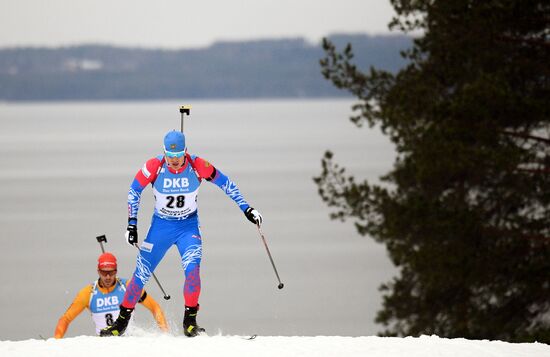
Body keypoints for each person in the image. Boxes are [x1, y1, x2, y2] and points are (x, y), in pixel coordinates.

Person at [100, 130, 262, 337]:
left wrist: (247, 209)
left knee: (192, 271)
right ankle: (120, 324)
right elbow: (134, 191)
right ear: (164, 153)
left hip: (188, 227)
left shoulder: (197, 165)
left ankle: (190, 322)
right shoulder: (154, 166)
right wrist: (132, 225)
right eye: (170, 156)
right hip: (161, 228)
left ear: (185, 152)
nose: (174, 161)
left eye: (178, 157)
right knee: (140, 275)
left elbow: (226, 184)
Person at [54, 252, 169, 338]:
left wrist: (165, 334)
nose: (108, 277)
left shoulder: (128, 287)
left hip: (129, 341)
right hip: (105, 344)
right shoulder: (88, 293)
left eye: (111, 272)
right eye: (104, 272)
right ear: (98, 271)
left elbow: (155, 307)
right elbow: (65, 318)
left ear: (116, 271)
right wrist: (56, 340)